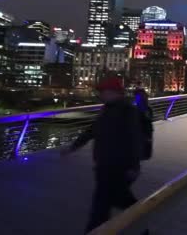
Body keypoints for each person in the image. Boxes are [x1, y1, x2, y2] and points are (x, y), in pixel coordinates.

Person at [61, 77, 145, 234]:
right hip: (105, 165)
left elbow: (134, 139)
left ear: (114, 92)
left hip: (118, 167)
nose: (100, 95)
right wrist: (73, 147)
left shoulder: (128, 111)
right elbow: (92, 130)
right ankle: (142, 222)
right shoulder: (107, 108)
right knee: (116, 201)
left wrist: (134, 166)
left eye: (104, 91)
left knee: (102, 207)